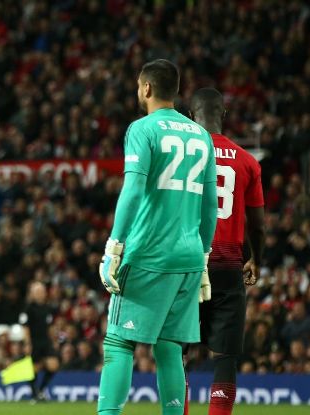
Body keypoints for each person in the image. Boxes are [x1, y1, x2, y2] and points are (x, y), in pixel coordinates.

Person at [97, 59, 218, 415]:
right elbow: (209, 207)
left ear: (146, 88)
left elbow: (133, 190)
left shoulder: (142, 129)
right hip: (191, 258)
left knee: (118, 342)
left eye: (139, 86)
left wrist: (113, 248)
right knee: (168, 347)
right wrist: (205, 258)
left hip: (150, 253)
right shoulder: (201, 135)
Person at [186, 87, 265, 415]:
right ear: (224, 116)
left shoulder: (184, 156)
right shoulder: (247, 160)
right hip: (229, 265)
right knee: (226, 356)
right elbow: (257, 223)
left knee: (176, 350)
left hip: (187, 264)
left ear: (192, 116)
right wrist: (254, 257)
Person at [19, 281, 59, 402]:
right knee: (34, 368)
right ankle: (35, 394)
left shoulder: (48, 308)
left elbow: (50, 326)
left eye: (42, 291)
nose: (40, 294)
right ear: (32, 293)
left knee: (53, 365)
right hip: (34, 342)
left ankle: (40, 390)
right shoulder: (28, 308)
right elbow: (25, 327)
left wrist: (54, 340)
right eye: (37, 292)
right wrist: (27, 343)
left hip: (46, 341)